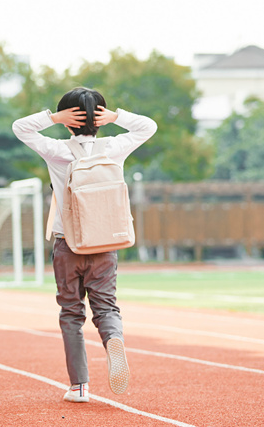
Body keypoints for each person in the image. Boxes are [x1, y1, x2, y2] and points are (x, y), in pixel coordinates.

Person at [12, 87, 157, 402]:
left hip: (69, 245)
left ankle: (79, 386)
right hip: (105, 244)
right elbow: (149, 126)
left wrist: (51, 117)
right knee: (106, 307)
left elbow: (20, 127)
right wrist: (117, 117)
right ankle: (112, 338)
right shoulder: (114, 147)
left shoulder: (58, 151)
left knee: (71, 312)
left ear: (67, 122)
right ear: (101, 120)